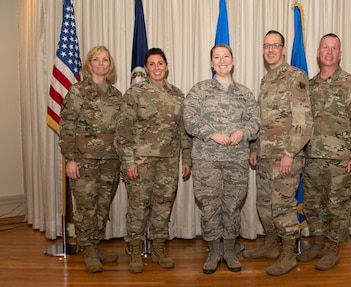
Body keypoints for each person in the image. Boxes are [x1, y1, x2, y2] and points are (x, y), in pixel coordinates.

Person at [183, 44, 260, 274]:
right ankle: (213, 252)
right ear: (211, 63)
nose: (222, 61)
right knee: (209, 206)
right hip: (207, 159)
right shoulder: (199, 90)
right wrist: (212, 133)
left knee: (232, 206)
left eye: (225, 56)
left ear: (233, 60)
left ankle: (228, 251)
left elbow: (255, 121)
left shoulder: (244, 93)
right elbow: (188, 119)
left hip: (236, 160)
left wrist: (242, 133)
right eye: (217, 57)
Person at [115, 48, 192, 274]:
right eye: (151, 64)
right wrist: (128, 162)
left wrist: (186, 158)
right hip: (141, 162)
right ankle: (136, 252)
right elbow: (123, 131)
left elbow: (183, 131)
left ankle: (159, 249)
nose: (156, 67)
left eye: (160, 63)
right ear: (146, 68)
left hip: (168, 161)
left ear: (166, 66)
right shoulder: (135, 94)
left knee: (163, 207)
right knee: (138, 208)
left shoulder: (177, 94)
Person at [297, 33, 351, 271]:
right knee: (313, 205)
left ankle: (333, 250)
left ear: (340, 54)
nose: (329, 52)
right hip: (313, 158)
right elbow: (304, 122)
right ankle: (318, 244)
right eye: (325, 48)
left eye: (334, 48)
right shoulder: (310, 85)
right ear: (318, 53)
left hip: (342, 160)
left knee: (337, 208)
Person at [242, 30, 313, 276]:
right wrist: (253, 147)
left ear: (283, 49)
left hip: (284, 157)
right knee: (264, 205)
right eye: (266, 45)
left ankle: (288, 254)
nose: (270, 49)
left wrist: (290, 153)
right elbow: (261, 120)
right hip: (263, 156)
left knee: (283, 207)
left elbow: (304, 122)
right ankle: (271, 245)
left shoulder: (296, 76)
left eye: (275, 45)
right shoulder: (266, 80)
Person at [59, 46, 123, 273]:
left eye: (105, 59)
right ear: (89, 63)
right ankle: (88, 250)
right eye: (96, 59)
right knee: (86, 206)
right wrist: (70, 159)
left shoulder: (116, 95)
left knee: (102, 206)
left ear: (110, 64)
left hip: (110, 161)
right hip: (84, 159)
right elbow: (67, 126)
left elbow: (122, 130)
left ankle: (95, 245)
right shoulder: (78, 91)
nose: (101, 63)